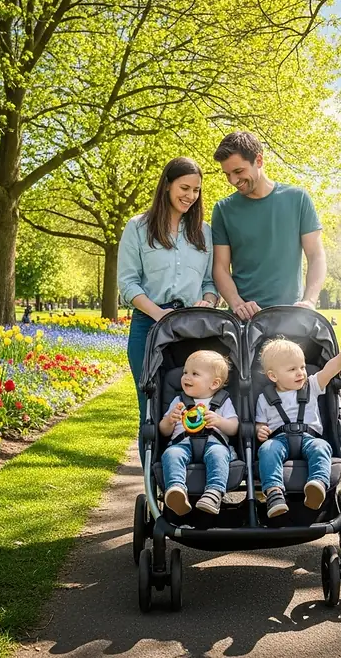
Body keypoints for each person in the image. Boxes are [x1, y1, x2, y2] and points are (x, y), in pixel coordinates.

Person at [117, 157, 219, 465]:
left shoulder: (203, 231)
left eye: (196, 190)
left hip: (192, 329)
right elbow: (128, 283)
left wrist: (209, 301)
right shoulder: (138, 227)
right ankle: (154, 482)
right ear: (167, 186)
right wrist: (159, 314)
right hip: (148, 326)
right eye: (184, 188)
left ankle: (191, 476)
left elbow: (210, 281)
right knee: (151, 407)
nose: (190, 196)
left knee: (195, 403)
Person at [211, 132, 326, 320]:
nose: (233, 181)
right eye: (227, 174)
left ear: (259, 160)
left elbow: (316, 256)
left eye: (238, 172)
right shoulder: (223, 210)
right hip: (244, 319)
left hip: (290, 316)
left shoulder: (298, 199)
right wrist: (237, 303)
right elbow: (220, 268)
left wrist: (309, 301)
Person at [255, 336, 341, 517]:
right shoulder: (264, 398)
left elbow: (329, 370)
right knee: (267, 449)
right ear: (273, 376)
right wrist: (259, 429)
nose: (300, 373)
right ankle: (274, 492)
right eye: (292, 369)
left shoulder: (312, 385)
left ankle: (317, 485)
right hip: (278, 440)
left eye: (302, 367)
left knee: (322, 447)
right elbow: (260, 422)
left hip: (309, 438)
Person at [159, 350, 238, 516]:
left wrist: (219, 421)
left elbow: (234, 427)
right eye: (185, 372)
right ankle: (176, 490)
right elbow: (164, 430)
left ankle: (214, 493)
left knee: (218, 453)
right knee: (171, 454)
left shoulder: (223, 401)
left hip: (213, 443)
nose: (186, 377)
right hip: (182, 443)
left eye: (195, 374)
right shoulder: (179, 401)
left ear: (214, 384)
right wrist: (169, 420)